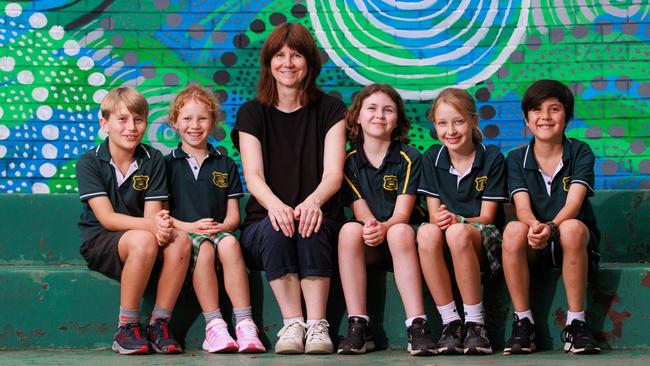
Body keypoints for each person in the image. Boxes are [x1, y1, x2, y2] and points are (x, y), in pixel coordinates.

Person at [232, 22, 347, 354]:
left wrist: (312, 202)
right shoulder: (252, 113)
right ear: (269, 61)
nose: (287, 63)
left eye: (296, 55)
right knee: (279, 227)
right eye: (280, 55)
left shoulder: (331, 109)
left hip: (320, 219)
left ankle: (318, 326)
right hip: (264, 222)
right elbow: (253, 175)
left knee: (310, 225)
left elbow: (333, 175)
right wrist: (277, 207)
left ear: (309, 62)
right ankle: (293, 323)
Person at [76, 86, 189, 355]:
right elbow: (107, 218)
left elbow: (153, 214)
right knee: (143, 240)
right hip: (101, 239)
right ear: (105, 123)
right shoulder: (89, 161)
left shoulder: (153, 160)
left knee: (181, 240)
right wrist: (153, 226)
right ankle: (126, 327)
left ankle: (158, 324)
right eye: (122, 119)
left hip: (144, 236)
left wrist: (159, 228)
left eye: (138, 120)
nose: (131, 127)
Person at [502, 79, 601, 355]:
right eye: (536, 110)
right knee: (512, 230)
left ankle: (576, 324)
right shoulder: (516, 158)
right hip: (535, 246)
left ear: (567, 117)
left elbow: (575, 202)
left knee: (570, 228)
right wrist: (535, 227)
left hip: (574, 245)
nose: (545, 117)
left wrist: (552, 227)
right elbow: (521, 208)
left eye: (554, 109)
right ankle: (524, 323)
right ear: (526, 117)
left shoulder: (580, 151)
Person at [164, 84, 265, 353]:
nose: (194, 125)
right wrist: (191, 227)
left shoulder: (225, 163)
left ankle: (245, 323)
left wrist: (224, 227)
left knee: (230, 243)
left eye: (202, 118)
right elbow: (162, 216)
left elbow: (233, 215)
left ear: (214, 122)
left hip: (218, 231)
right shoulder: (166, 164)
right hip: (184, 235)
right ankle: (215, 326)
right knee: (206, 249)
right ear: (174, 123)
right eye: (187, 118)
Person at [337, 83, 435, 356]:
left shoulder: (409, 156)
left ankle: (417, 325)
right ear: (357, 116)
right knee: (348, 232)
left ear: (397, 120)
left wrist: (385, 227)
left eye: (388, 110)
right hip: (371, 239)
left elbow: (402, 214)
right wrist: (371, 227)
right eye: (372, 108)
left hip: (402, 240)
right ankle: (358, 325)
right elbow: (359, 210)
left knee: (399, 231)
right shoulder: (349, 160)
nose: (379, 115)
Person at [417, 88, 508, 355]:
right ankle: (451, 324)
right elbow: (434, 216)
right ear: (434, 125)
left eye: (458, 121)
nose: (451, 130)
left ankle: (476, 325)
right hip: (447, 233)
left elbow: (488, 217)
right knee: (425, 233)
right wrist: (443, 219)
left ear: (473, 121)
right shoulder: (432, 158)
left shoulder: (491, 157)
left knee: (457, 232)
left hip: (482, 237)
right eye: (442, 123)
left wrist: (458, 220)